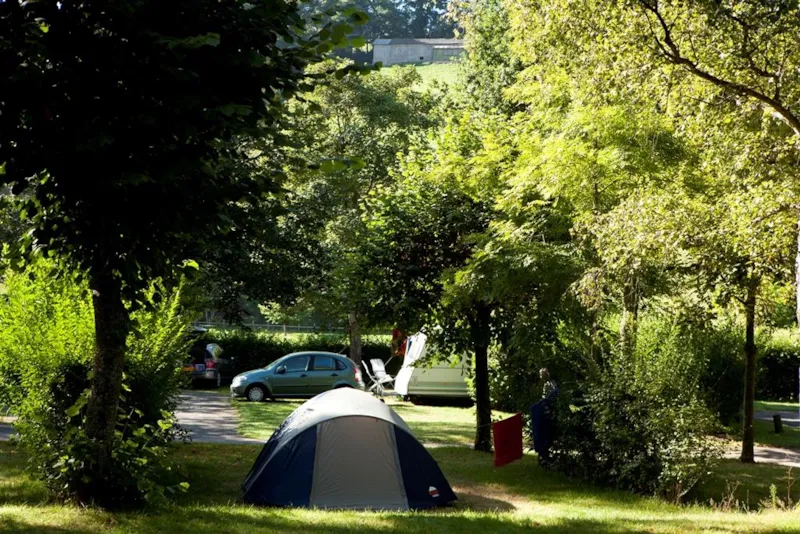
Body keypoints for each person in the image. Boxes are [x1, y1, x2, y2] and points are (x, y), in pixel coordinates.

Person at [531, 367, 559, 466]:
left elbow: (549, 398)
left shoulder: (550, 384)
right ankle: (543, 457)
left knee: (544, 435)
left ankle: (544, 457)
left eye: (543, 374)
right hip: (544, 411)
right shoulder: (548, 384)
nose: (541, 376)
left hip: (546, 413)